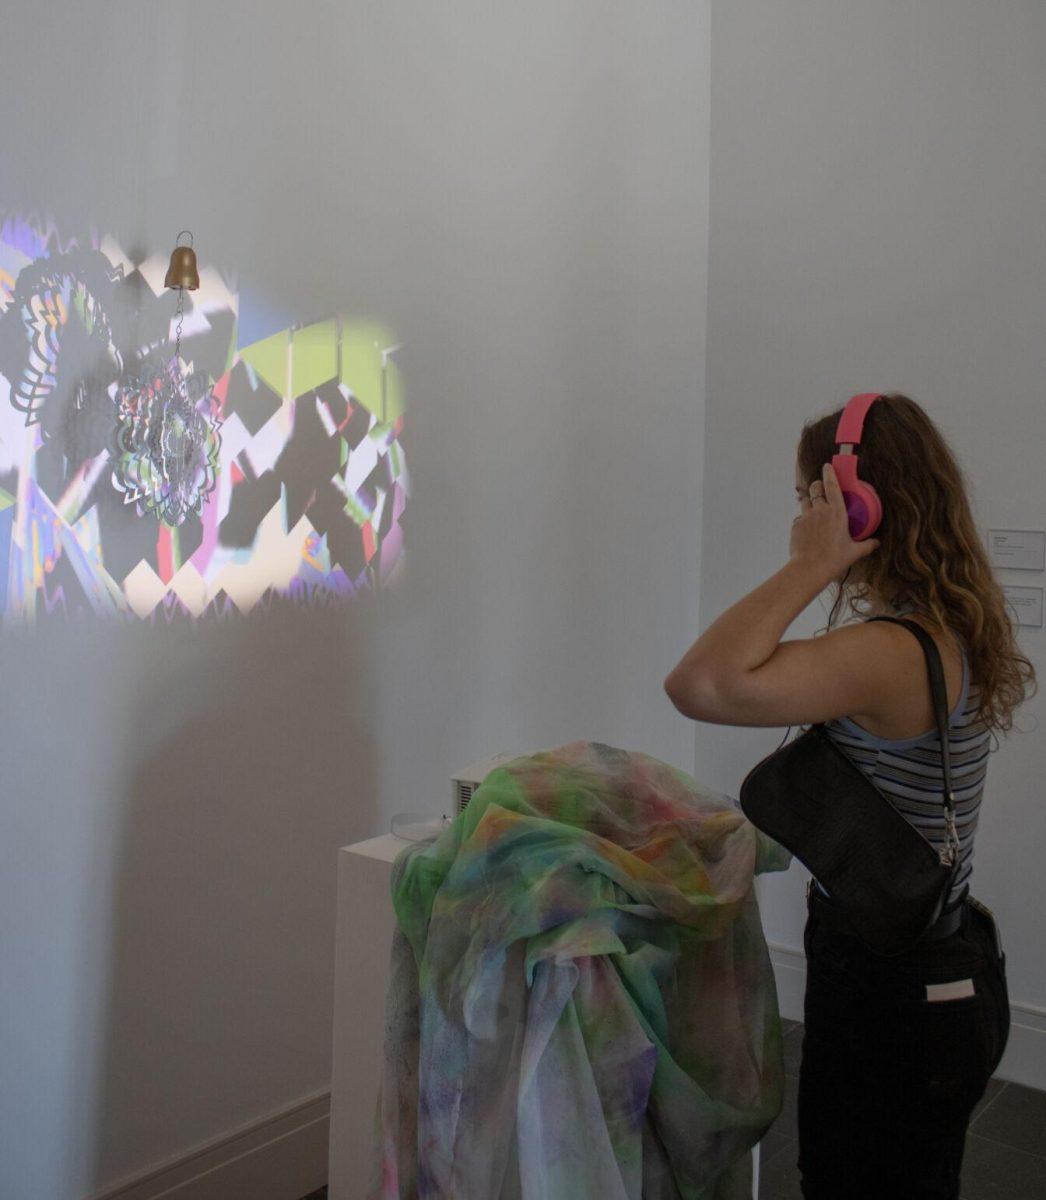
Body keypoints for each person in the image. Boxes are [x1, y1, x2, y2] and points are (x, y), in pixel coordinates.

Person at [663, 392, 1035, 1199]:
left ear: (859, 502)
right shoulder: (947, 621)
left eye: (811, 497)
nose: (801, 515)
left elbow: (699, 683)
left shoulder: (889, 653)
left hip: (886, 990)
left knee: (852, 1177)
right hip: (941, 967)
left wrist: (811, 564)